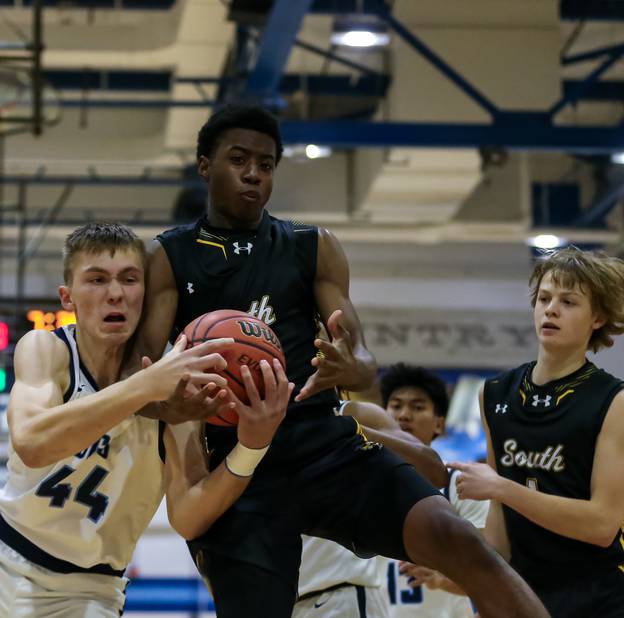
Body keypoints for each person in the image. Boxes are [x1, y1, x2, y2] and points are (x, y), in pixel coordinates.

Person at [138, 104, 548, 618]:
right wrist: (176, 401)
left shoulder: (312, 246)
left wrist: (350, 368)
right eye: (238, 160)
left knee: (462, 544)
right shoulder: (168, 256)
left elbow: (360, 357)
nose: (253, 174)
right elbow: (141, 378)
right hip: (234, 462)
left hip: (321, 442)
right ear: (204, 165)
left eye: (266, 165)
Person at [0, 222, 292, 618]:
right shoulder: (47, 349)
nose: (115, 293)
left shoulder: (177, 385)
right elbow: (32, 441)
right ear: (68, 296)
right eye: (97, 279)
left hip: (84, 591)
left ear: (146, 294)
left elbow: (188, 517)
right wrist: (144, 388)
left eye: (129, 279)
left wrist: (251, 446)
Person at [451, 246, 624, 618]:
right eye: (544, 298)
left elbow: (602, 524)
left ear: (598, 317)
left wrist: (502, 487)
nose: (551, 309)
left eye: (569, 302)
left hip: (599, 597)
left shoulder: (614, 400)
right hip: (525, 596)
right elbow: (499, 522)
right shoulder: (495, 393)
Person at [294, 394, 448, 618]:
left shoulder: (354, 413)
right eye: (397, 405)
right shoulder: (255, 424)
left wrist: (350, 429)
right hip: (279, 598)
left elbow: (434, 470)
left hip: (337, 597)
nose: (404, 415)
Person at [379, 364, 489, 618]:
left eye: (418, 407)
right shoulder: (359, 485)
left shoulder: (461, 486)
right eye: (395, 406)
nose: (404, 415)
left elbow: (492, 574)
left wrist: (442, 579)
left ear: (439, 424)